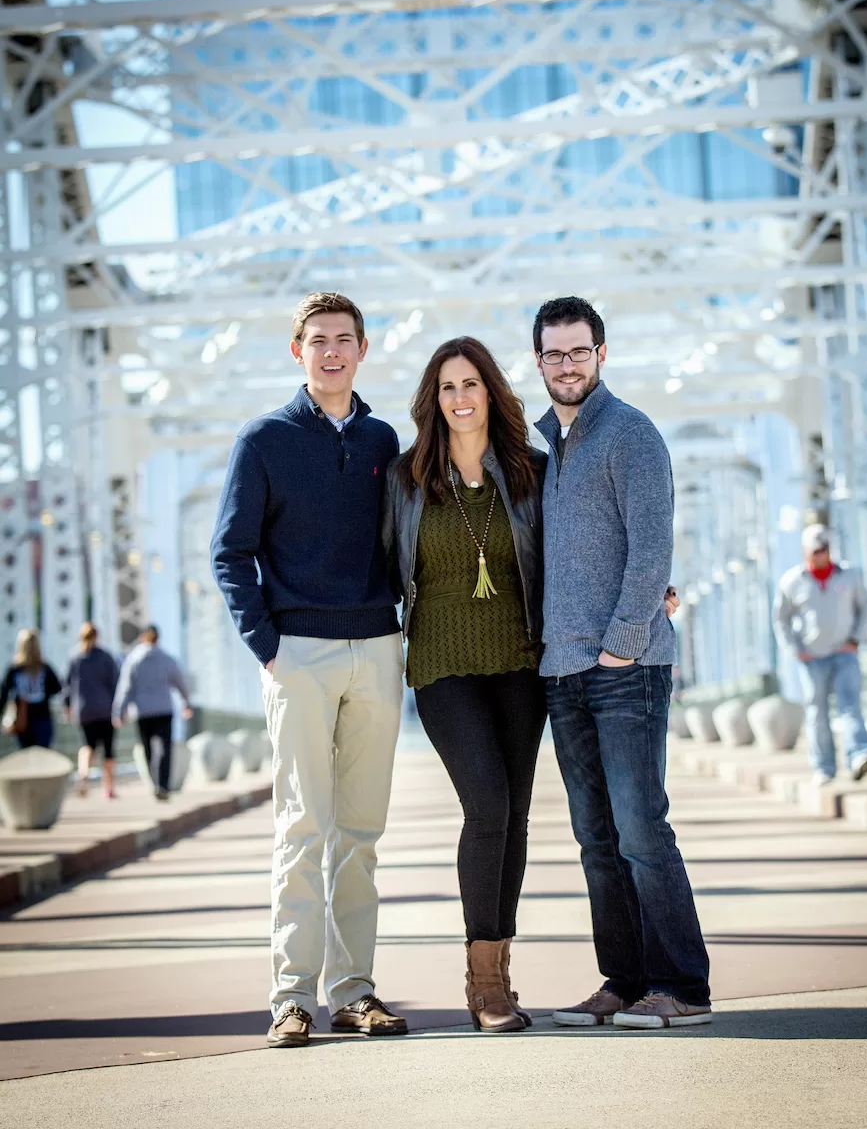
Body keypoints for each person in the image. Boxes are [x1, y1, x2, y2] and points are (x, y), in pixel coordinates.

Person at [211, 291, 407, 1048]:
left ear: (363, 350)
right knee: (303, 828)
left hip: (377, 649)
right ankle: (290, 998)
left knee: (361, 832)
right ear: (298, 352)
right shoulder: (263, 440)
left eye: (345, 340)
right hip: (299, 654)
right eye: (318, 340)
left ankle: (354, 992)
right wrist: (269, 646)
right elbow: (231, 552)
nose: (332, 351)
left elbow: (406, 541)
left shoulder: (385, 440)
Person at [532, 295, 712, 1032]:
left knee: (641, 831)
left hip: (623, 669)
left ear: (601, 354)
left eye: (579, 351)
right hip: (562, 671)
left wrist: (624, 642)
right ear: (538, 361)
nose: (567, 365)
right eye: (553, 353)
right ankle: (626, 979)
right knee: (596, 839)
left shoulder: (630, 434)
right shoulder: (549, 450)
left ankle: (682, 987)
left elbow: (652, 547)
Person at [383, 337, 548, 1033]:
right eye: (446, 387)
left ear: (491, 392)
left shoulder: (531, 471)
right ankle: (483, 984)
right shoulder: (407, 477)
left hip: (520, 662)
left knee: (516, 815)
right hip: (442, 665)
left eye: (470, 383)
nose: (459, 398)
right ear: (434, 399)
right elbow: (374, 563)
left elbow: (573, 550)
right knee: (486, 804)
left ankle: (501, 968)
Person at [774, 523, 867, 785]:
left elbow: (865, 607)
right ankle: (824, 767)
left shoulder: (850, 576)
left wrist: (856, 640)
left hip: (844, 653)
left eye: (825, 549)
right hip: (812, 659)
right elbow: (781, 619)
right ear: (805, 551)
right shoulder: (792, 581)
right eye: (816, 550)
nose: (821, 555)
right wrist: (795, 650)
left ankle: (858, 756)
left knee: (850, 705)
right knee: (817, 712)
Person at [113, 625, 192, 801]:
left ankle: (154, 782)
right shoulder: (166, 658)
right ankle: (162, 784)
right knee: (164, 748)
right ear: (157, 638)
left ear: (142, 638)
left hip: (142, 711)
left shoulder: (133, 659)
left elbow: (125, 687)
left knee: (148, 748)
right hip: (164, 709)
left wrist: (119, 711)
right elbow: (181, 683)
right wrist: (186, 703)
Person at [64, 623, 120, 798]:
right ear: (97, 636)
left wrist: (67, 706)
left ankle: (83, 774)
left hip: (84, 710)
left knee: (88, 745)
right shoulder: (105, 657)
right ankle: (109, 788)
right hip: (105, 709)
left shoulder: (75, 657)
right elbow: (116, 683)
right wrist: (120, 708)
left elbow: (67, 685)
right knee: (108, 749)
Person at [0, 629, 61, 749]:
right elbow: (57, 688)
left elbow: (4, 693)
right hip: (38, 717)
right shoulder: (43, 668)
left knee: (27, 755)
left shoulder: (15, 669)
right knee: (41, 754)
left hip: (25, 717)